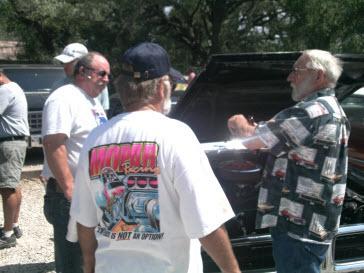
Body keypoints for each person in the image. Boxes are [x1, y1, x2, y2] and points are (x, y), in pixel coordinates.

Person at [70, 42, 241, 273]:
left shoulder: (94, 139)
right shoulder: (176, 134)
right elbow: (206, 222)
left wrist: (89, 267)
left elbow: (85, 219)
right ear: (162, 88)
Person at [227, 49, 350, 273]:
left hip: (299, 228)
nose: (289, 78)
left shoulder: (312, 112)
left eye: (296, 71)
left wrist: (238, 122)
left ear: (318, 76)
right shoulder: (332, 109)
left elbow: (251, 139)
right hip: (313, 224)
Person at [42, 52, 109, 272]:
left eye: (108, 75)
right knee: (74, 265)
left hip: (92, 196)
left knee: (91, 262)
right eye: (102, 74)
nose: (106, 79)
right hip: (69, 197)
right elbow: (53, 144)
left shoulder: (92, 102)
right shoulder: (64, 97)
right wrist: (70, 189)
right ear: (82, 72)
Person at [0, 69, 29, 249]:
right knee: (13, 184)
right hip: (16, 142)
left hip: (9, 144)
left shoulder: (4, 90)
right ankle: (14, 225)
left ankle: (8, 234)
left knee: (6, 188)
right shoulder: (16, 87)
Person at [53, 42, 110, 112]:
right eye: (64, 63)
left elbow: (103, 114)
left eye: (70, 62)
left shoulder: (100, 84)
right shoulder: (58, 87)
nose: (65, 66)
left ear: (82, 64)